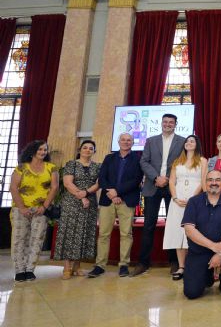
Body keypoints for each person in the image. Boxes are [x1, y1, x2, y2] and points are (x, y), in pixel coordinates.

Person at [135, 113, 186, 276]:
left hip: (172, 187)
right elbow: (144, 161)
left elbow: (183, 163)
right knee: (148, 226)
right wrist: (156, 178)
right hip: (153, 186)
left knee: (173, 226)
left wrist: (167, 179)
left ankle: (174, 261)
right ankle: (143, 263)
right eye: (165, 122)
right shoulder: (151, 140)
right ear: (161, 123)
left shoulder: (182, 141)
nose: (168, 124)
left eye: (171, 122)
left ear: (175, 124)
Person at [182, 170, 221, 299]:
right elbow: (189, 230)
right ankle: (207, 276)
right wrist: (213, 247)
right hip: (198, 251)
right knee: (191, 293)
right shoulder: (194, 201)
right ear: (205, 182)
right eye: (210, 180)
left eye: (218, 180)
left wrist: (220, 252)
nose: (214, 183)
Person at [88, 133, 143, 278]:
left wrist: (118, 192)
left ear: (133, 142)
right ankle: (100, 265)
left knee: (126, 234)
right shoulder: (109, 158)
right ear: (118, 142)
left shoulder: (138, 160)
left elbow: (136, 180)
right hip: (108, 200)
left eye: (129, 140)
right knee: (104, 234)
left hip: (127, 200)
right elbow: (102, 178)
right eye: (123, 140)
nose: (126, 142)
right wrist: (112, 194)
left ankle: (124, 265)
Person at [10, 140, 60, 282]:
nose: (43, 152)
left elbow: (54, 188)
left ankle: (30, 269)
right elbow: (13, 187)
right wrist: (22, 208)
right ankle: (19, 270)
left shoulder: (52, 167)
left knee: (37, 239)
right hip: (20, 208)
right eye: (40, 149)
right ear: (32, 151)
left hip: (41, 209)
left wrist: (44, 207)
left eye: (45, 150)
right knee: (19, 239)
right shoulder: (21, 167)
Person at [54, 139, 100, 280]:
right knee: (70, 232)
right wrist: (81, 197)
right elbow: (67, 183)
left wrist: (86, 194)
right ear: (79, 150)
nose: (87, 150)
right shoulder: (71, 164)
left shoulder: (98, 166)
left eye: (91, 148)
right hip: (72, 202)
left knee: (84, 232)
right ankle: (67, 267)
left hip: (90, 202)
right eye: (85, 148)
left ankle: (77, 266)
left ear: (94, 151)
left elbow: (98, 184)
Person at [163, 135, 207, 281]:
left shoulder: (202, 161)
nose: (189, 143)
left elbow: (203, 181)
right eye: (187, 141)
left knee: (192, 232)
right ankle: (181, 267)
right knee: (178, 232)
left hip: (194, 200)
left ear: (197, 144)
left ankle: (191, 265)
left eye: (192, 141)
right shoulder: (177, 162)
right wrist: (175, 198)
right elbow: (171, 182)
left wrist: (193, 199)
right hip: (177, 201)